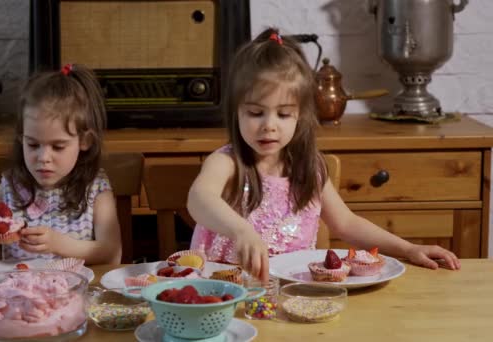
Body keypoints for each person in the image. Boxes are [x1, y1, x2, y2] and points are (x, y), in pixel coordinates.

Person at [187, 28, 460, 282]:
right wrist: (242, 231)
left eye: (283, 114)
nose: (269, 124)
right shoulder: (227, 162)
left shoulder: (309, 168)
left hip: (294, 297)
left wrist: (409, 249)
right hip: (226, 296)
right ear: (236, 112)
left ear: (300, 115)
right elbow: (200, 198)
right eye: (255, 112)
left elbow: (347, 223)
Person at [0, 64, 122, 266]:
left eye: (58, 146)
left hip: (75, 293)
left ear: (85, 141)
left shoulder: (95, 189)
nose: (43, 157)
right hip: (20, 294)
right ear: (21, 138)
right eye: (33, 144)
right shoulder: (10, 189)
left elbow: (112, 253)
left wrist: (58, 244)